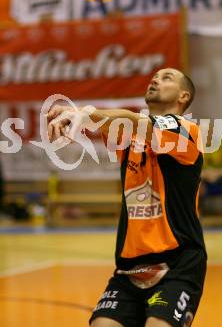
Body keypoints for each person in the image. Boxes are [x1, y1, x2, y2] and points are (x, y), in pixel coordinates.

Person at [47, 68, 207, 327]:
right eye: (154, 76)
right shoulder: (127, 136)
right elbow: (113, 122)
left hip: (178, 264)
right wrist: (80, 116)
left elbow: (134, 121)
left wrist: (87, 112)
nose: (155, 79)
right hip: (130, 267)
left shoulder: (187, 130)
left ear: (183, 96)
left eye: (167, 78)